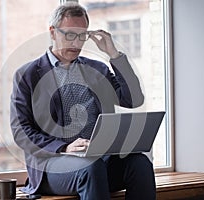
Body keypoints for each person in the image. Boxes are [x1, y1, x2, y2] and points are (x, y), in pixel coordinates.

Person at [10, 2, 156, 200]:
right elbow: (21, 132)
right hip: (53, 165)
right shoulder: (27, 75)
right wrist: (64, 147)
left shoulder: (98, 69)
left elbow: (133, 100)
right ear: (53, 33)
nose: (76, 42)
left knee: (140, 163)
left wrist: (114, 55)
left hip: (99, 160)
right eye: (70, 34)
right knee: (91, 167)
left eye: (82, 36)